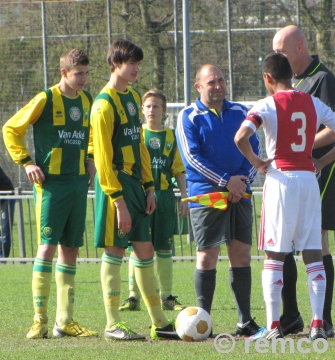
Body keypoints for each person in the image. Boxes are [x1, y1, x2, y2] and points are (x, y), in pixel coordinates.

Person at [235, 53, 335, 340]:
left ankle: (274, 326)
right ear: (291, 75)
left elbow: (241, 137)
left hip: (281, 179)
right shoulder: (312, 102)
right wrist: (322, 162)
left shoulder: (266, 104)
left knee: (274, 254)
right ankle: (318, 324)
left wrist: (256, 162)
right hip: (308, 179)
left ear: (268, 78)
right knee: (313, 252)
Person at [3, 49, 98, 339]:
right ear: (64, 73)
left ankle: (65, 321)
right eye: (78, 73)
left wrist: (91, 158)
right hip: (51, 185)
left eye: (86, 73)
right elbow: (10, 128)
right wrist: (27, 162)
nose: (83, 79)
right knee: (46, 247)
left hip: (78, 184)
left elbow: (91, 135)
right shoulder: (45, 99)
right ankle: (38, 320)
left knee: (71, 249)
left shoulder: (87, 100)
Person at [91, 39, 178, 341]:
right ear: (115, 64)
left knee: (145, 249)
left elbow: (138, 144)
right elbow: (101, 158)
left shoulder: (133, 97)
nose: (137, 69)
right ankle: (113, 323)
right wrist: (118, 201)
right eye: (132, 63)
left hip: (136, 184)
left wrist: (150, 186)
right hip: (114, 185)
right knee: (115, 250)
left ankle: (160, 323)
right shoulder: (103, 105)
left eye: (139, 63)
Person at [272, 24, 335, 337]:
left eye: (281, 52)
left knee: (317, 240)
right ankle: (290, 316)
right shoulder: (296, 82)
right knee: (284, 239)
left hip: (319, 169)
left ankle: (324, 320)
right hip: (295, 171)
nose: (277, 57)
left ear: (300, 48)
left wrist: (302, 146)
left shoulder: (323, 79)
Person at [175, 64, 260, 337]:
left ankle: (245, 321)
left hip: (240, 194)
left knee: (241, 255)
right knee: (207, 256)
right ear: (198, 86)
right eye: (211, 82)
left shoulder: (242, 113)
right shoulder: (188, 116)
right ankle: (204, 323)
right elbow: (191, 158)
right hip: (206, 196)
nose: (218, 86)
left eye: (221, 80)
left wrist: (242, 181)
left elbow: (255, 151)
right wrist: (226, 181)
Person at [119, 89, 189, 312]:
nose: (151, 110)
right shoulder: (137, 135)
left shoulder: (170, 136)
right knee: (137, 247)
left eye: (156, 106)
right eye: (148, 106)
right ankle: (133, 297)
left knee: (164, 247)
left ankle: (167, 296)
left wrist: (185, 197)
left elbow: (178, 169)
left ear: (164, 110)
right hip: (141, 197)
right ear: (142, 110)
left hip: (165, 197)